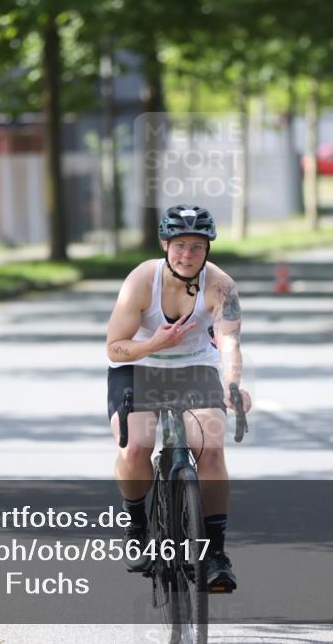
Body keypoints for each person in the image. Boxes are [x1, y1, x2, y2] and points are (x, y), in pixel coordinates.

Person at [106, 204, 252, 592]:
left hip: (195, 369)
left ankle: (215, 554)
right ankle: (137, 528)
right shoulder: (142, 280)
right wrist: (154, 341)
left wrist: (233, 384)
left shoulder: (221, 286)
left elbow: (230, 342)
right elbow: (114, 347)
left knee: (212, 446)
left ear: (208, 250)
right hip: (139, 366)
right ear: (165, 245)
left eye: (197, 247)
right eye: (180, 246)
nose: (187, 255)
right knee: (136, 445)